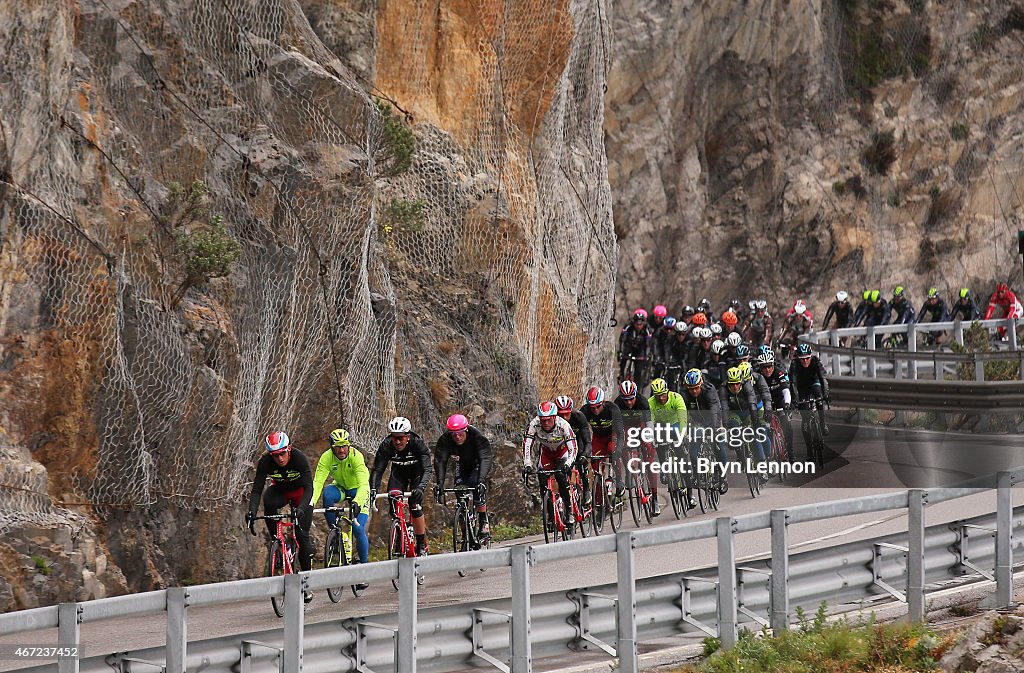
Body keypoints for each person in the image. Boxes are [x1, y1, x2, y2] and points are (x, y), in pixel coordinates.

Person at [247, 431, 316, 603]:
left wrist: (301, 509)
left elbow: (309, 487)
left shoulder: (299, 458)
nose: (279, 458)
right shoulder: (265, 462)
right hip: (281, 491)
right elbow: (256, 489)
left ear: (289, 449)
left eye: (282, 453)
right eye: (275, 455)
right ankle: (277, 543)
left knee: (302, 537)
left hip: (301, 494)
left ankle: (307, 585)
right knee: (268, 499)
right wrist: (252, 512)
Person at [312, 429, 370, 589]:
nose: (342, 450)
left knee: (358, 528)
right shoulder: (326, 458)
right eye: (338, 447)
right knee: (327, 494)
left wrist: (358, 501)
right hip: (342, 488)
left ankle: (364, 572)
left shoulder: (356, 456)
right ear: (331, 447)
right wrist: (310, 503)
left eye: (345, 446)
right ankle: (336, 534)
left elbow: (364, 484)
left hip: (359, 490)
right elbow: (317, 483)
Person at [369, 417, 434, 556]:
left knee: (414, 505)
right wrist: (373, 489)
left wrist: (421, 488)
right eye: (394, 438)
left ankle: (421, 544)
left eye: (400, 438)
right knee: (394, 500)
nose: (397, 441)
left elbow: (427, 468)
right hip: (399, 476)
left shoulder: (417, 443)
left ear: (408, 437)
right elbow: (378, 470)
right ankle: (400, 534)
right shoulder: (386, 445)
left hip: (417, 475)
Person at [434, 414, 493, 540]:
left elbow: (486, 458)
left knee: (475, 486)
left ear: (466, 430)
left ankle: (483, 522)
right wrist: (440, 484)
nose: (457, 437)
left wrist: (481, 481)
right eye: (453, 434)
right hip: (462, 466)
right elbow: (440, 462)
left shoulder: (476, 436)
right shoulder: (445, 440)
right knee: (459, 491)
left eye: (460, 433)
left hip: (478, 465)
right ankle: (466, 534)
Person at [522, 401, 577, 526]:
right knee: (542, 482)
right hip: (547, 454)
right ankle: (551, 516)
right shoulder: (534, 424)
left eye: (549, 420)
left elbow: (573, 448)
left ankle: (569, 511)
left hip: (562, 452)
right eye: (543, 420)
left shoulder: (563, 425)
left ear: (554, 417)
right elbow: (527, 445)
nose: (546, 423)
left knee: (561, 477)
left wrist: (568, 464)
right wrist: (527, 464)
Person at [614, 380, 659, 515]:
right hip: (626, 428)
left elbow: (648, 424)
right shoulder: (618, 404)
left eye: (631, 399)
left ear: (635, 395)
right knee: (621, 446)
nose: (628, 403)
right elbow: (617, 427)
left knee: (649, 459)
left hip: (641, 426)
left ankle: (655, 498)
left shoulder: (642, 402)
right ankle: (629, 470)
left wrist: (650, 440)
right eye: (625, 400)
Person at [680, 368, 729, 492]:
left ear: (701, 383)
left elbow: (715, 409)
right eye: (691, 389)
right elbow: (682, 414)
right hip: (696, 422)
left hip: (711, 419)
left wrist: (715, 429)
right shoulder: (684, 394)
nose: (694, 391)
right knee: (694, 447)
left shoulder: (709, 390)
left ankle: (723, 478)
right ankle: (697, 474)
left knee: (719, 444)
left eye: (696, 387)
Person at [648, 378, 693, 509]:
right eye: (657, 396)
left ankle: (690, 495)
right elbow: (650, 422)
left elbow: (683, 418)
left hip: (677, 425)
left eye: (662, 395)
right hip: (662, 428)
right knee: (660, 444)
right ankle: (664, 468)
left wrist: (683, 435)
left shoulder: (676, 398)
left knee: (682, 460)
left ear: (667, 391)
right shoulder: (651, 403)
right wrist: (651, 438)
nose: (661, 399)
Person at [719, 367, 768, 479]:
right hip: (733, 413)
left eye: (737, 384)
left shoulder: (747, 385)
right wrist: (726, 428)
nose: (735, 387)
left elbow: (752, 402)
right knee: (733, 429)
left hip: (748, 411)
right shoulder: (723, 388)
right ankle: (741, 455)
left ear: (740, 381)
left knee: (754, 435)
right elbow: (724, 408)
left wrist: (755, 420)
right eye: (732, 384)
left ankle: (762, 466)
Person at [582, 386, 625, 500]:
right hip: (598, 437)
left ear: (603, 403)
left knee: (613, 451)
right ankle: (599, 498)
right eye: (592, 408)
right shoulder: (585, 411)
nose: (595, 410)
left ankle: (619, 481)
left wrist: (619, 449)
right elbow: (580, 429)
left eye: (598, 407)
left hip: (612, 435)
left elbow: (621, 432)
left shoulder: (613, 409)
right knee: (594, 462)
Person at [788, 343, 831, 453]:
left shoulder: (816, 361)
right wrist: (795, 400)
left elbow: (823, 378)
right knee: (805, 418)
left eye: (807, 358)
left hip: (814, 383)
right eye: (802, 359)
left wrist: (825, 395)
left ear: (811, 357)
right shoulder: (794, 364)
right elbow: (792, 384)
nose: (805, 362)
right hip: (802, 387)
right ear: (798, 359)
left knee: (819, 400)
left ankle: (822, 424)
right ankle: (809, 451)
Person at [755, 349, 794, 459]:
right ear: (760, 368)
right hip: (764, 404)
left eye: (769, 366)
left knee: (787, 425)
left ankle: (790, 452)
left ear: (773, 365)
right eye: (764, 367)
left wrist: (787, 403)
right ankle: (768, 455)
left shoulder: (779, 373)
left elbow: (786, 389)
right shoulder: (757, 376)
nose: (767, 370)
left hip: (779, 402)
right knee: (763, 429)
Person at [554, 396, 593, 507]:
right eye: (561, 415)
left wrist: (585, 455)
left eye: (567, 414)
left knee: (580, 456)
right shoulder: (553, 421)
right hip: (563, 443)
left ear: (571, 411)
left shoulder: (579, 417)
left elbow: (587, 442)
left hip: (578, 440)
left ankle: (586, 488)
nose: (564, 417)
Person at [618, 309, 654, 388]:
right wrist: (621, 352)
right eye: (636, 324)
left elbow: (648, 345)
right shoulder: (628, 326)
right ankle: (621, 374)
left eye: (640, 324)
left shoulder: (647, 329)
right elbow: (623, 340)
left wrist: (646, 355)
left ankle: (638, 387)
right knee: (623, 357)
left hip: (641, 348)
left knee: (639, 369)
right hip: (630, 346)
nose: (638, 326)